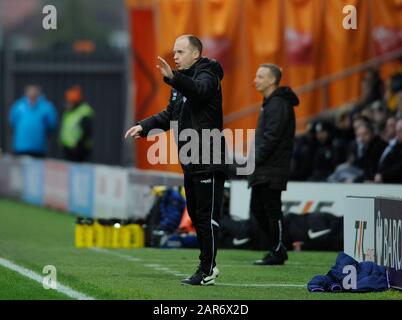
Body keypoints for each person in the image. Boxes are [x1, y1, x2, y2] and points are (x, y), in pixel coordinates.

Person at [125, 35, 226, 286]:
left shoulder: (208, 76)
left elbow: (199, 92)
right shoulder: (181, 84)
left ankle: (208, 269)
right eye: (174, 52)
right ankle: (206, 265)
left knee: (205, 216)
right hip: (191, 158)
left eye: (180, 52)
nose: (176, 57)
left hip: (208, 158)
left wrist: (173, 78)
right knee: (194, 213)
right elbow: (170, 115)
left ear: (196, 54)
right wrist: (144, 126)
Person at [248, 64, 299, 265]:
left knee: (270, 209)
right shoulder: (272, 102)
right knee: (260, 209)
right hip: (266, 167)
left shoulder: (277, 104)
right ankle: (280, 246)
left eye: (260, 76)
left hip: (272, 167)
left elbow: (271, 137)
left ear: (272, 80)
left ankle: (278, 249)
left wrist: (255, 159)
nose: (255, 80)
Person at [8, 85, 58, 157]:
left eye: (34, 93)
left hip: (38, 147)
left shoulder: (46, 106)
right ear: (26, 93)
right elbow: (12, 121)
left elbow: (51, 124)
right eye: (30, 92)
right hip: (21, 146)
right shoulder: (19, 105)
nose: (32, 94)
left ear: (38, 94)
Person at [60, 85, 95, 162]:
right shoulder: (67, 112)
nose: (67, 104)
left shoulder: (84, 111)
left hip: (80, 150)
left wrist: (78, 146)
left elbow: (87, 132)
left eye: (69, 102)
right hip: (68, 149)